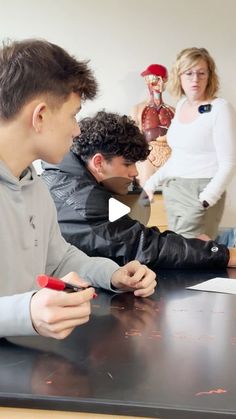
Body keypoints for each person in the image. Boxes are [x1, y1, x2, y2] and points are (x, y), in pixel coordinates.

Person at [0, 39, 157, 340]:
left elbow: (59, 259)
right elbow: (25, 310)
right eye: (73, 115)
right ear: (40, 116)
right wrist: (25, 313)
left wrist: (113, 274)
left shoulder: (35, 188)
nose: (77, 130)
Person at [41, 111, 236, 271]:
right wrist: (222, 253)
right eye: (127, 164)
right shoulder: (80, 199)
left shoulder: (66, 177)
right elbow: (143, 246)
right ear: (98, 162)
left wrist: (194, 245)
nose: (134, 172)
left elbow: (133, 236)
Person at [144, 48, 236, 239]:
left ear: (210, 76)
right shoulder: (183, 105)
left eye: (202, 73)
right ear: (179, 76)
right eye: (189, 73)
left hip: (201, 192)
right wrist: (152, 184)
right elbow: (178, 157)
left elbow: (229, 163)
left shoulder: (220, 109)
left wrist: (205, 200)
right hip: (174, 191)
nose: (195, 79)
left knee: (195, 257)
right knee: (179, 255)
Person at [130, 64, 174, 186]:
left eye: (156, 79)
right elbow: (133, 140)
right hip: (147, 157)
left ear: (164, 81)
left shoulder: (173, 111)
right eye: (148, 79)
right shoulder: (137, 110)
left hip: (169, 156)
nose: (152, 83)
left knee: (172, 194)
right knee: (146, 195)